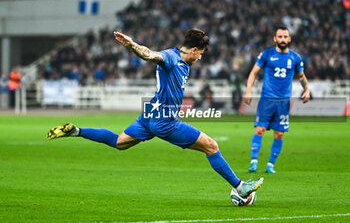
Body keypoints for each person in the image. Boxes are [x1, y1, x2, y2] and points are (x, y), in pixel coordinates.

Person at [47, 28, 263, 199]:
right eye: (201, 54)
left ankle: (76, 131)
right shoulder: (171, 57)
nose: (200, 59)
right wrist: (132, 45)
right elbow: (150, 55)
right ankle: (241, 187)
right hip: (164, 120)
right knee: (212, 146)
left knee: (119, 142)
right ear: (195, 50)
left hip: (150, 113)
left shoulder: (183, 62)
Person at [244, 26, 310, 173]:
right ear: (275, 38)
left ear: (289, 39)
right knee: (260, 129)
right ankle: (254, 161)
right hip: (267, 99)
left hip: (284, 101)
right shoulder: (266, 54)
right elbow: (253, 73)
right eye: (280, 37)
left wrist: (307, 89)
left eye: (285, 37)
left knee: (279, 133)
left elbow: (301, 76)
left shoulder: (295, 58)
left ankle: (270, 165)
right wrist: (248, 90)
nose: (283, 39)